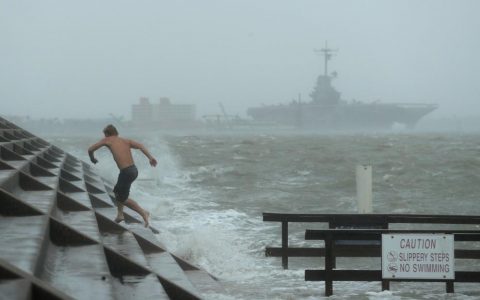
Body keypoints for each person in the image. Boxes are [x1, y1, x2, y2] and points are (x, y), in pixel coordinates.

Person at [88, 124, 157, 227]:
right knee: (118, 192)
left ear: (107, 134)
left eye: (105, 135)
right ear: (116, 133)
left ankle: (143, 212)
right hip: (133, 170)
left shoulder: (107, 140)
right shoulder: (126, 141)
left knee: (122, 198)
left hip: (126, 172)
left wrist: (92, 158)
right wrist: (150, 158)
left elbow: (90, 149)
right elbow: (141, 146)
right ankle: (120, 215)